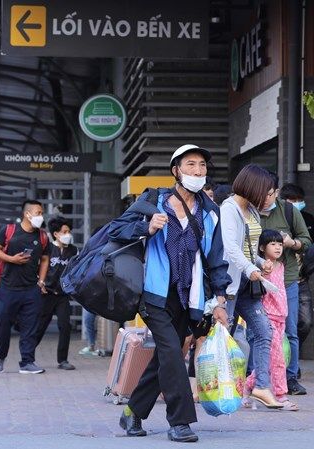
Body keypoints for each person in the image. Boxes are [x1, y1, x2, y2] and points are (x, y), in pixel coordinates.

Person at [108, 144, 230, 443]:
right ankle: (180, 421)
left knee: (166, 355)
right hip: (154, 294)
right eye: (191, 165)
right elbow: (115, 230)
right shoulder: (154, 200)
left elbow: (215, 258)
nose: (198, 171)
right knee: (173, 353)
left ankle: (132, 413)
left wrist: (220, 297)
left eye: (202, 166)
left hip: (189, 297)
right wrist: (146, 227)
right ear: (176, 170)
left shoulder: (210, 212)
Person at [220, 164, 282, 409]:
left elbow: (249, 248)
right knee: (224, 338)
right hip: (232, 284)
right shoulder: (229, 208)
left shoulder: (252, 212)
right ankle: (218, 388)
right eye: (266, 191)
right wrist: (251, 268)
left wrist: (260, 263)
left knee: (264, 332)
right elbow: (231, 247)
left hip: (249, 284)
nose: (268, 196)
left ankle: (261, 387)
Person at [260, 174, 312, 396]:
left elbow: (307, 242)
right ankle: (259, 378)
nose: (265, 198)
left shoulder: (289, 211)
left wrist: (292, 242)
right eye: (261, 193)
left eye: (270, 193)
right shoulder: (248, 210)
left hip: (287, 279)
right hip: (257, 279)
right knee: (259, 332)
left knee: (289, 330)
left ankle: (290, 377)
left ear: (277, 192)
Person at [0, 200, 50, 375]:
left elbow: (45, 258)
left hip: (31, 288)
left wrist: (41, 281)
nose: (41, 216)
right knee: (2, 324)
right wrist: (12, 259)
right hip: (8, 287)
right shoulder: (9, 230)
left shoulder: (42, 236)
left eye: (41, 213)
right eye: (38, 213)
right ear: (27, 214)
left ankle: (27, 362)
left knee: (30, 327)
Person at [244, 230, 299, 411]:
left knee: (269, 360)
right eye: (273, 244)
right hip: (268, 317)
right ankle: (281, 395)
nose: (278, 247)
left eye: (280, 244)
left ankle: (248, 386)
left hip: (281, 317)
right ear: (262, 248)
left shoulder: (281, 266)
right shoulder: (261, 268)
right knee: (278, 359)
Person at [279, 183, 314, 364]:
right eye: (292, 200)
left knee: (305, 323)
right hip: (279, 278)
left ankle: (290, 356)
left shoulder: (308, 219)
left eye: (299, 200)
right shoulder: (279, 216)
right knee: (284, 325)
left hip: (301, 279)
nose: (296, 203)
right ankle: (288, 364)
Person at [34, 216, 77, 370]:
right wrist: (40, 283)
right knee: (40, 326)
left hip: (62, 295)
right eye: (64, 231)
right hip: (46, 294)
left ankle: (62, 360)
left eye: (69, 231)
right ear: (56, 234)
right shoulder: (47, 248)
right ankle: (28, 356)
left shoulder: (72, 250)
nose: (68, 234)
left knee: (65, 326)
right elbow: (37, 267)